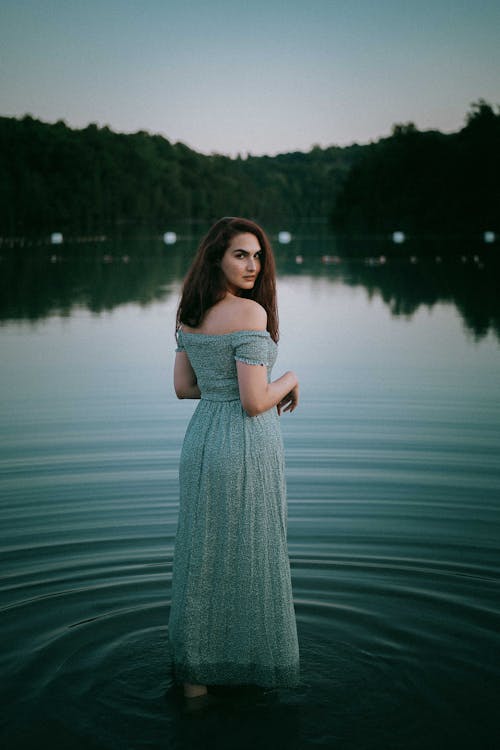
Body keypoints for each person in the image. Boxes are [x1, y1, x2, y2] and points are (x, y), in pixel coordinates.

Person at [168, 216, 300, 703]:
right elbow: (254, 402)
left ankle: (195, 679)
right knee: (255, 552)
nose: (252, 265)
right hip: (243, 444)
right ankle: (254, 666)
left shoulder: (190, 312)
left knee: (200, 557)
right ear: (216, 258)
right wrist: (290, 379)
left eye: (257, 255)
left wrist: (225, 384)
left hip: (202, 439)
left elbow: (184, 388)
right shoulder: (250, 315)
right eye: (240, 255)